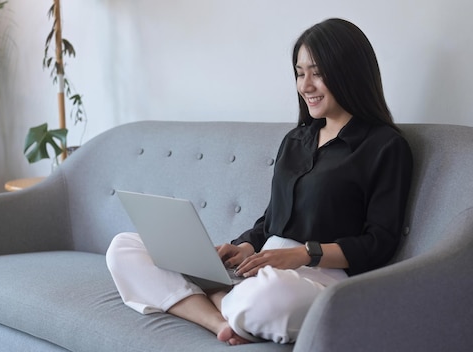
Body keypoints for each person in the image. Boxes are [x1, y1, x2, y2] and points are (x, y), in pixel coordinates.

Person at [106, 18, 413, 346]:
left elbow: (380, 242)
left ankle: (217, 296)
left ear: (349, 71)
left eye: (317, 72)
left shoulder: (384, 146)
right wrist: (242, 247)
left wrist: (303, 255)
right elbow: (271, 220)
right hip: (262, 263)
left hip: (319, 277)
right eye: (299, 72)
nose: (305, 85)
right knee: (124, 247)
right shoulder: (297, 140)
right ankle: (219, 319)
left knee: (269, 296)